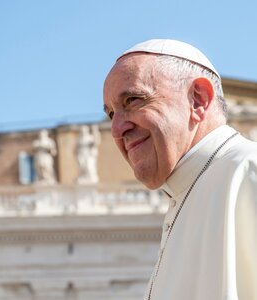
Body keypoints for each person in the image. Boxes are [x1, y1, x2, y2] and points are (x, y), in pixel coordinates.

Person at [103, 39, 257, 300]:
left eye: (132, 100)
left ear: (198, 100)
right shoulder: (185, 193)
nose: (117, 130)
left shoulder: (248, 170)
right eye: (111, 114)